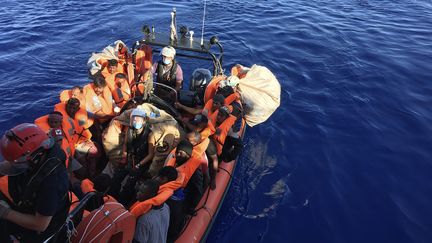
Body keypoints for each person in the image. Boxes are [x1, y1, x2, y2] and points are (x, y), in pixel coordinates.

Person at [0, 123, 69, 243]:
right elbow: (12, 163)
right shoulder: (36, 155)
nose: (13, 166)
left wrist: (5, 212)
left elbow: (40, 224)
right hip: (25, 205)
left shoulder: (52, 181)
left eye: (17, 163)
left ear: (36, 156)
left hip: (42, 224)